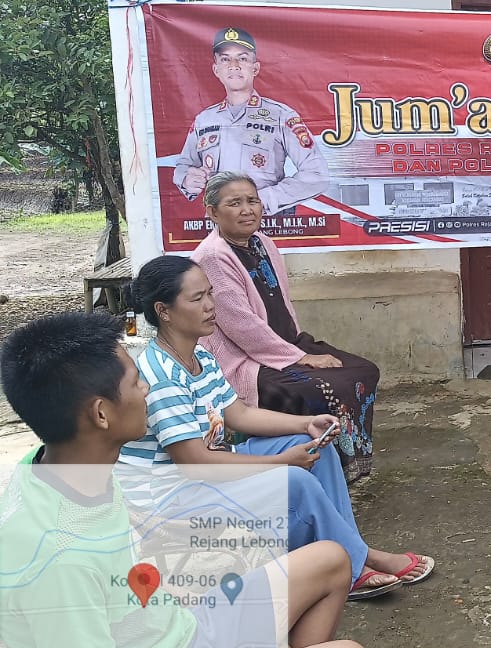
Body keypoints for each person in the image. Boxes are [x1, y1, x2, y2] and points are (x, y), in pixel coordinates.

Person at [0, 312, 417, 648]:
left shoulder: (58, 465)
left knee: (331, 560)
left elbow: (124, 543)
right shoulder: (56, 557)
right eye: (135, 382)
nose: (146, 389)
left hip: (177, 628)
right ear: (101, 414)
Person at [118, 255, 434, 600]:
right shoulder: (162, 375)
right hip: (174, 495)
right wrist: (281, 462)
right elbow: (194, 462)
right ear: (163, 311)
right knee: (293, 478)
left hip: (208, 467)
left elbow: (238, 414)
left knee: (314, 446)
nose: (211, 306)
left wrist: (305, 423)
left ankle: (352, 551)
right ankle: (356, 565)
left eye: (211, 294)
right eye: (197, 299)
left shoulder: (201, 357)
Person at [193, 172, 378, 483]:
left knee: (362, 370)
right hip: (246, 358)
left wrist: (300, 348)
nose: (246, 210)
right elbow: (242, 326)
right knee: (316, 388)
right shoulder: (212, 257)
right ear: (212, 212)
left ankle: (349, 460)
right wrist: (298, 358)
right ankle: (317, 465)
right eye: (234, 203)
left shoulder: (261, 242)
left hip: (284, 343)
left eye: (252, 201)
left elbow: (281, 302)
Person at [173, 27, 330, 215]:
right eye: (225, 59)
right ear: (216, 69)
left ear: (255, 68)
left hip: (268, 223)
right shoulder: (204, 120)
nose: (234, 65)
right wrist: (187, 178)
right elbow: (183, 166)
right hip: (219, 224)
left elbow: (317, 175)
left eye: (243, 58)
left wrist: (262, 200)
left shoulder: (281, 116)